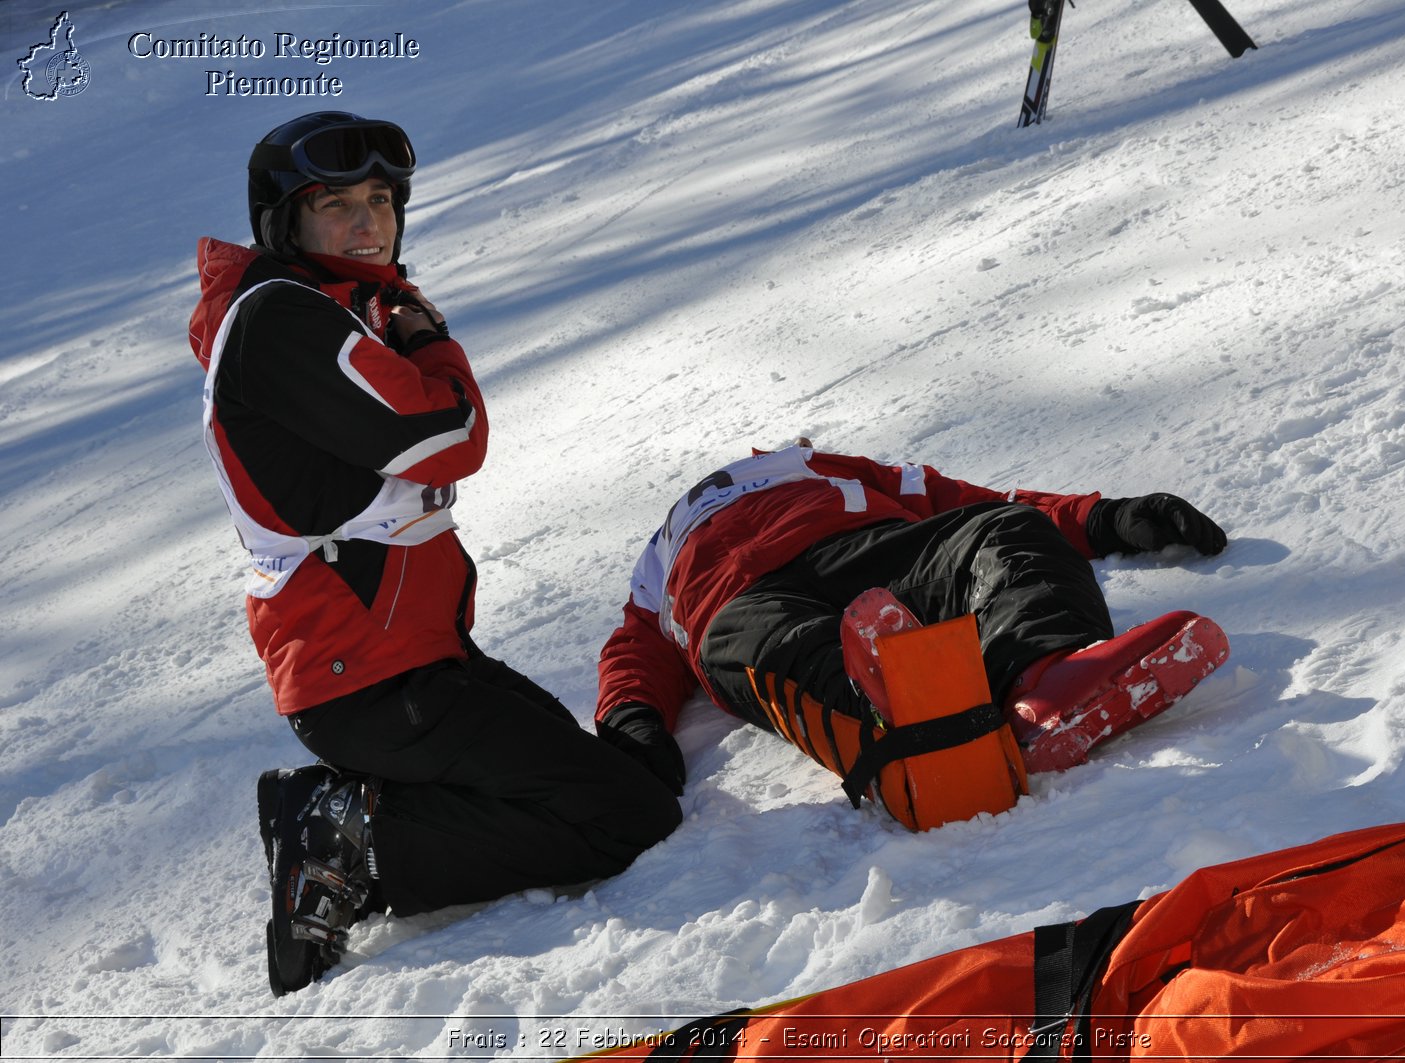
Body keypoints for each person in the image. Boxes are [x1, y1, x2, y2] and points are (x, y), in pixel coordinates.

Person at [188, 111, 682, 995]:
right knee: (626, 817)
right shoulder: (280, 322)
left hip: (414, 663)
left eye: (380, 199)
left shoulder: (324, 314)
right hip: (369, 680)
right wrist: (426, 337)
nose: (367, 220)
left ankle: (365, 822)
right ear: (283, 222)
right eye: (335, 203)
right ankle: (350, 845)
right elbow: (447, 431)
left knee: (621, 779)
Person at [593, 442, 1227, 828]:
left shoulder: (818, 467)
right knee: (775, 649)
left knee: (1001, 531)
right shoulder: (661, 560)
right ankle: (899, 736)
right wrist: (631, 723)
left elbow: (969, 499)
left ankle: (1043, 683)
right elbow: (634, 650)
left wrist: (1106, 518)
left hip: (876, 549)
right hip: (740, 602)